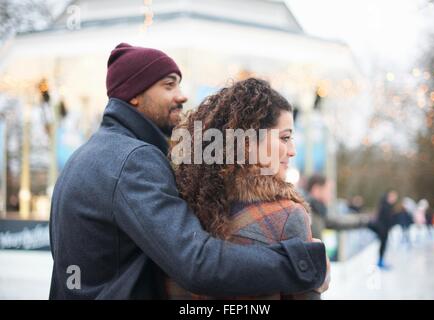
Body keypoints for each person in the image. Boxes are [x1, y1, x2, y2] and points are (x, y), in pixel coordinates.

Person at [49, 43, 328, 299]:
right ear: (133, 94)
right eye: (168, 86)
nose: (181, 96)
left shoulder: (86, 155)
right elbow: (197, 262)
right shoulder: (134, 160)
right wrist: (302, 264)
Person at [167, 78, 328, 299]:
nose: (292, 151)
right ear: (248, 142)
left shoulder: (188, 207)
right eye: (285, 138)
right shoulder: (287, 215)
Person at [305, 175, 371, 241]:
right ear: (316, 189)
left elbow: (338, 221)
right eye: (329, 190)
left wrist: (365, 220)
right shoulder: (306, 212)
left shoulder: (318, 211)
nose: (330, 195)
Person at [372, 190, 398, 269]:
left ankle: (381, 260)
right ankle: (380, 261)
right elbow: (384, 218)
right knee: (382, 245)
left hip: (385, 229)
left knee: (384, 245)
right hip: (382, 229)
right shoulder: (385, 206)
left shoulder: (387, 206)